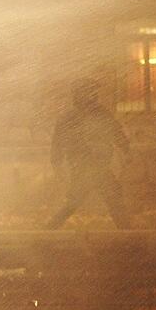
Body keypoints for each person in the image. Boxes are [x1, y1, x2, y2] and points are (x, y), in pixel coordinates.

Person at [46, 78, 132, 229]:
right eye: (89, 91)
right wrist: (56, 162)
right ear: (79, 94)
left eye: (94, 91)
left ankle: (127, 233)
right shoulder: (69, 117)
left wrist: (125, 149)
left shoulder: (102, 114)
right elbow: (57, 142)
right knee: (76, 202)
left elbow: (116, 131)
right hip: (82, 166)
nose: (93, 95)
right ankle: (49, 230)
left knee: (111, 199)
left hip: (99, 166)